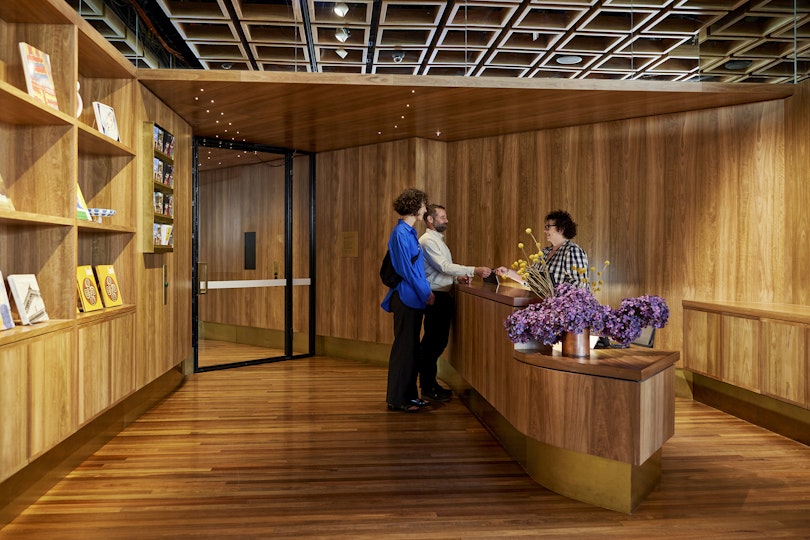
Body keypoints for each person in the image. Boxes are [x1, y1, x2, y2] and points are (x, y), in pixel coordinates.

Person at [419, 204, 491, 401]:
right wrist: (473, 270)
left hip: (442, 295)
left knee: (436, 342)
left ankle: (430, 384)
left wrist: (456, 279)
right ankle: (427, 386)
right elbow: (443, 266)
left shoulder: (438, 241)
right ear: (430, 220)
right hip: (436, 297)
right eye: (442, 217)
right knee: (433, 343)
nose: (447, 220)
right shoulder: (427, 241)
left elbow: (440, 271)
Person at [381, 188, 434, 412]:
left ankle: (408, 396)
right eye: (423, 204)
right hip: (406, 299)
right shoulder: (401, 233)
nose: (425, 208)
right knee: (404, 349)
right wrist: (426, 293)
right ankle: (398, 399)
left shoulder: (408, 232)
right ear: (414, 206)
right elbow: (409, 271)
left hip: (412, 299)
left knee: (410, 349)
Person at [496, 210, 588, 287]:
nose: (545, 231)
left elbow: (579, 287)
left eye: (548, 227)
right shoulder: (544, 252)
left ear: (561, 229)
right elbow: (530, 279)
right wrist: (507, 272)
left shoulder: (572, 251)